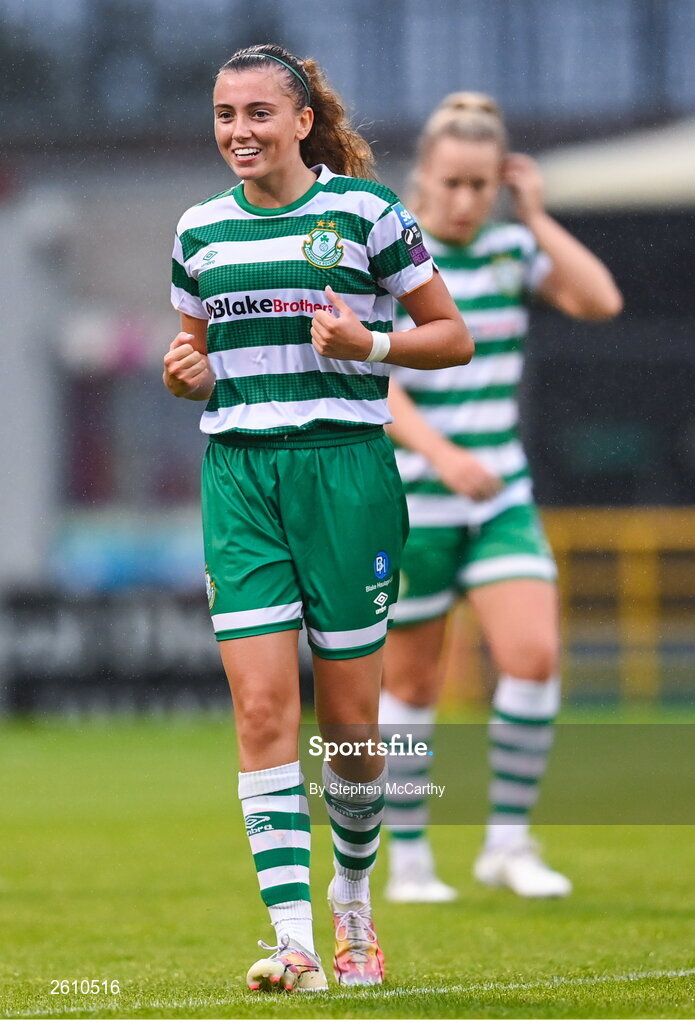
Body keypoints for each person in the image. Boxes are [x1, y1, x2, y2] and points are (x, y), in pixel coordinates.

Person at [163, 45, 472, 992]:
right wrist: (187, 375)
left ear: (302, 122)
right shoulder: (197, 232)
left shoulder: (366, 215)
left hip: (348, 478)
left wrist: (367, 340)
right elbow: (198, 353)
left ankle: (351, 899)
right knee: (262, 708)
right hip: (242, 481)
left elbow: (449, 336)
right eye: (224, 115)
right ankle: (294, 942)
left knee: (350, 728)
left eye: (258, 113)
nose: (238, 132)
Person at [379, 92, 623, 903]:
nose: (464, 200)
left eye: (481, 184)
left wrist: (539, 214)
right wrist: (442, 456)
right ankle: (409, 859)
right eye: (452, 182)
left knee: (534, 656)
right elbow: (372, 385)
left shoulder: (511, 248)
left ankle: (507, 844)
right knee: (411, 687)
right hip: (415, 500)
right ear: (424, 179)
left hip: (499, 499)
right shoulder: (389, 255)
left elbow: (598, 301)